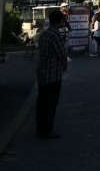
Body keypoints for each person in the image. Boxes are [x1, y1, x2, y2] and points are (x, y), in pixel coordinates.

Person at [36, 10, 68, 139]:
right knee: (51, 104)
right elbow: (61, 54)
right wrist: (65, 65)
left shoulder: (45, 34)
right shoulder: (56, 35)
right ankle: (47, 130)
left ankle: (40, 128)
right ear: (60, 20)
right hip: (53, 74)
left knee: (42, 103)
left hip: (42, 72)